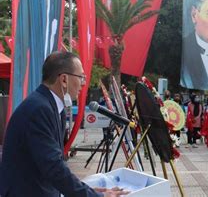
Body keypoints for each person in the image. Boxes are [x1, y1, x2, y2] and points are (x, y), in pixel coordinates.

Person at [0, 51, 129, 197]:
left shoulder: (52, 106)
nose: (83, 83)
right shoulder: (39, 109)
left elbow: (53, 166)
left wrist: (87, 190)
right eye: (81, 77)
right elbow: (54, 168)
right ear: (64, 80)